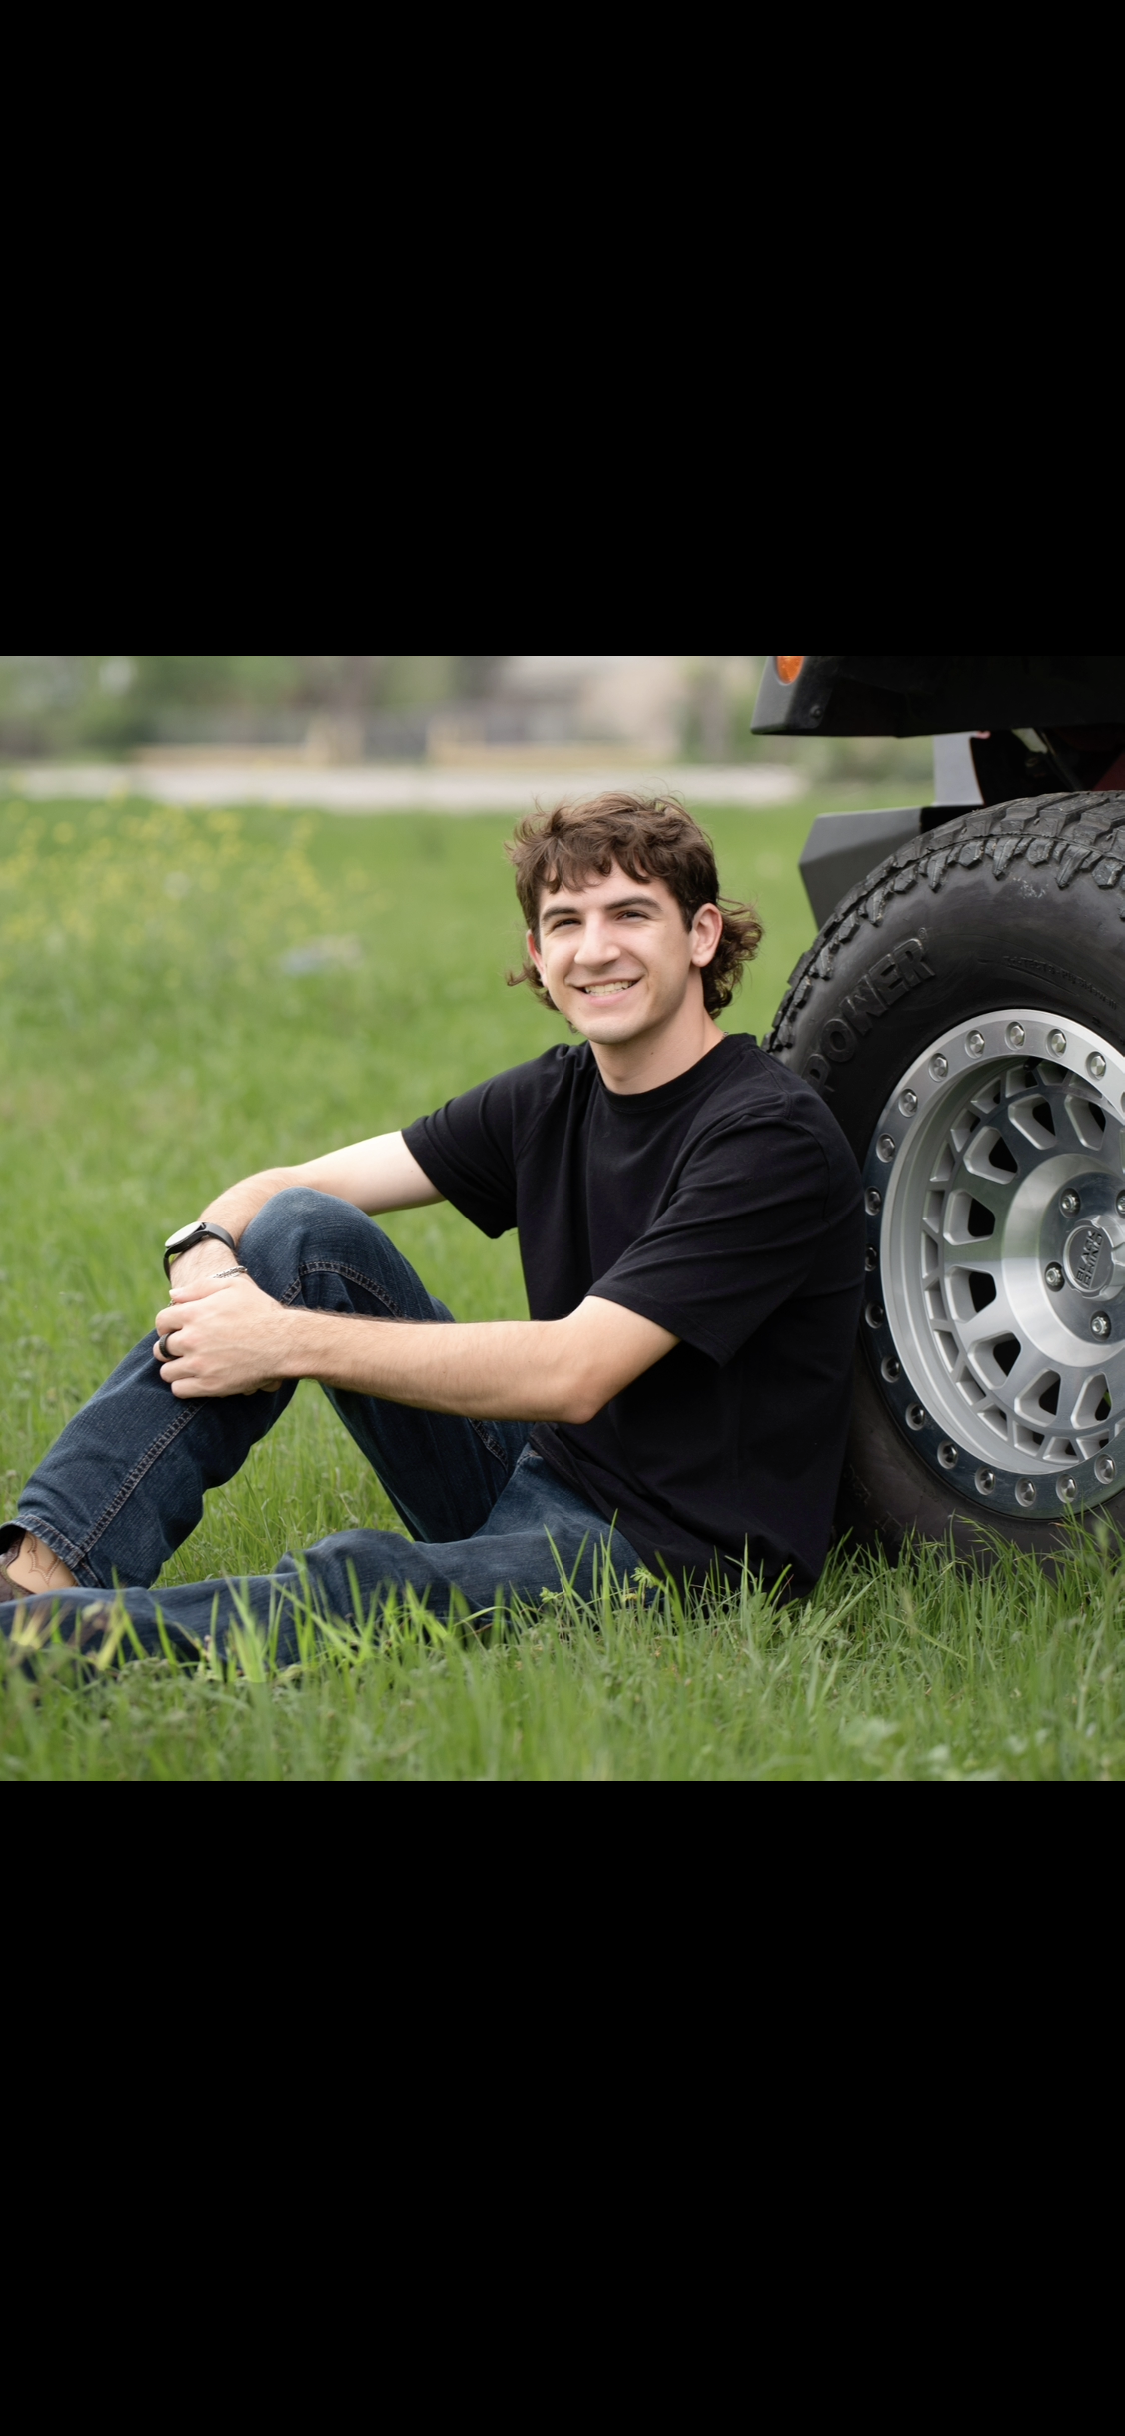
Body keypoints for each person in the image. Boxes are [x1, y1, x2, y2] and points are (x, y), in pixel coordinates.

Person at [0, 793, 864, 1657]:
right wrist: (204, 1257)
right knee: (301, 1230)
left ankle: (33, 1650)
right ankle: (37, 1573)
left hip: (672, 1559)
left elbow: (576, 1371)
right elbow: (283, 1186)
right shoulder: (553, 1095)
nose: (594, 950)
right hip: (548, 1472)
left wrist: (280, 1340)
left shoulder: (766, 1138)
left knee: (368, 1588)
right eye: (564, 923)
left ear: (701, 935)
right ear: (537, 952)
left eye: (629, 914)